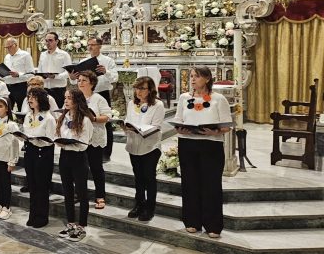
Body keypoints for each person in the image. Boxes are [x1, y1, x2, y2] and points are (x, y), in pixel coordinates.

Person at [173, 67, 232, 239]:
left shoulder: (218, 99)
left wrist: (215, 132)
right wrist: (180, 128)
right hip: (187, 144)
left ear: (207, 79)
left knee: (211, 185)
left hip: (210, 146)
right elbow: (178, 120)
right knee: (189, 183)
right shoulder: (184, 98)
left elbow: (226, 126)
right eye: (191, 76)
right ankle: (192, 221)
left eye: (196, 76)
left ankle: (213, 225)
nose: (192, 79)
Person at [124, 76, 165, 222]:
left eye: (142, 88)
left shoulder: (158, 105)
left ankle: (150, 207)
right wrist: (126, 127)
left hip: (150, 147)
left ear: (150, 90)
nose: (138, 92)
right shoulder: (131, 104)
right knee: (138, 177)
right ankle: (138, 204)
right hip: (133, 146)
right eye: (137, 88)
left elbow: (157, 126)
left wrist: (140, 130)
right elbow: (127, 120)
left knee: (149, 178)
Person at [70, 37, 118, 161]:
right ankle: (86, 147)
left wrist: (105, 72)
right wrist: (72, 76)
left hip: (101, 93)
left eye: (93, 44)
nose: (90, 47)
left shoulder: (108, 60)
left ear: (100, 46)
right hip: (85, 94)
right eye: (88, 45)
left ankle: (106, 153)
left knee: (104, 123)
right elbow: (76, 80)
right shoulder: (84, 61)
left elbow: (115, 78)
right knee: (84, 120)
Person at [56, 89, 94, 242]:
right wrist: (59, 141)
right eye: (65, 97)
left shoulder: (85, 120)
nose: (66, 100)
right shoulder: (63, 117)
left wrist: (70, 144)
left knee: (82, 192)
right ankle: (71, 223)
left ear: (77, 100)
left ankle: (82, 226)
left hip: (78, 158)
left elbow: (84, 144)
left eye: (69, 98)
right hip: (65, 157)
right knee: (67, 191)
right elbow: (57, 135)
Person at [76, 70, 112, 210]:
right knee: (79, 169)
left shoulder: (98, 98)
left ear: (92, 83)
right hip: (79, 137)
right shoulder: (75, 97)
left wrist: (94, 118)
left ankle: (100, 196)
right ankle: (80, 194)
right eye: (79, 80)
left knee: (96, 168)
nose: (80, 83)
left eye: (84, 80)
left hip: (94, 137)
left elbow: (107, 116)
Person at [21, 88, 56, 228]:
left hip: (44, 153)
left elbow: (51, 139)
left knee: (42, 186)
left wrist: (38, 139)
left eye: (33, 97)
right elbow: (26, 131)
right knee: (32, 185)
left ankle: (42, 217)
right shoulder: (28, 116)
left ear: (40, 99)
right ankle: (33, 214)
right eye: (29, 97)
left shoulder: (49, 118)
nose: (30, 100)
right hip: (30, 151)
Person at [36, 32, 72, 108]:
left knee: (58, 112)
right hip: (44, 89)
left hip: (59, 90)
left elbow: (69, 73)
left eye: (50, 40)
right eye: (46, 41)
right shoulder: (43, 55)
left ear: (57, 41)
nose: (47, 43)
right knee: (45, 111)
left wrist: (55, 76)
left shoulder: (64, 55)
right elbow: (40, 70)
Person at [2, 37, 35, 112]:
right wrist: (2, 74)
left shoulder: (25, 55)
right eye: (6, 48)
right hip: (8, 87)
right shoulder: (7, 57)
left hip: (20, 86)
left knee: (22, 109)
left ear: (15, 45)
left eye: (9, 47)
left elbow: (31, 74)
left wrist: (18, 75)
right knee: (7, 110)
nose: (8, 49)